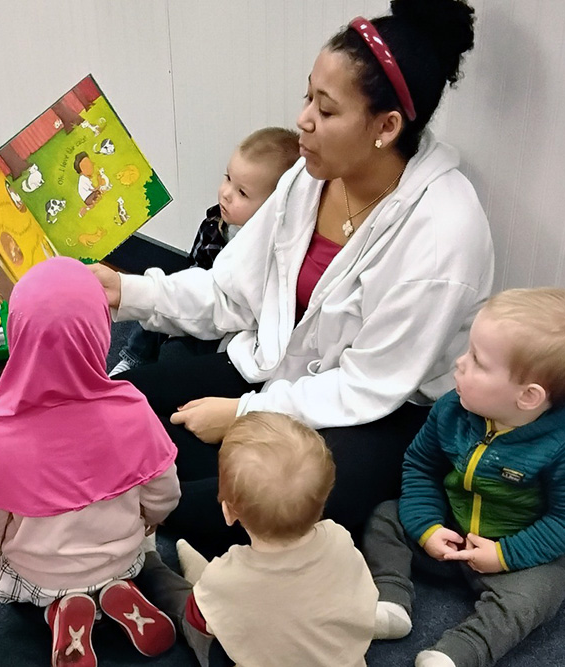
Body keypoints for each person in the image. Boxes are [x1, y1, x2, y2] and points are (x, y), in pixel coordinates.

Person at [90, 0, 492, 555]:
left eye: (326, 111)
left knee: (275, 499)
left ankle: (153, 508)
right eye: (308, 96)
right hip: (277, 368)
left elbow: (366, 388)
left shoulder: (445, 232)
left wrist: (244, 415)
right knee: (102, 410)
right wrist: (127, 291)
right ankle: (165, 497)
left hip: (381, 413)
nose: (303, 120)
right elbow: (229, 290)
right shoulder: (309, 177)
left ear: (386, 126)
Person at [363, 288, 565, 667]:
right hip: (450, 530)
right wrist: (426, 527)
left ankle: (459, 652)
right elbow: (421, 467)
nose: (460, 364)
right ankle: (391, 600)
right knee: (386, 516)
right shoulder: (452, 409)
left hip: (520, 551)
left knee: (535, 597)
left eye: (477, 360)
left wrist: (505, 554)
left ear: (527, 397)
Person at [0, 257, 180, 667]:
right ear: (100, 331)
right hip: (121, 555)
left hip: (41, 572)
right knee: (130, 550)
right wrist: (153, 515)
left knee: (26, 571)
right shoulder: (131, 408)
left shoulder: (2, 427)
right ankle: (117, 590)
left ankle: (60, 608)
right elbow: (165, 488)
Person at [136, 412, 378, 667]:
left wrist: (212, 593)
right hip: (344, 658)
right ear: (324, 501)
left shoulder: (227, 577)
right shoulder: (339, 537)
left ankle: (150, 563)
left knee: (187, 605)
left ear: (228, 512)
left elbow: (201, 623)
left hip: (228, 603)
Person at [110, 127, 300, 376]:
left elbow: (235, 309)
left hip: (225, 330)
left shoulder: (267, 254)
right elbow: (194, 272)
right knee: (151, 308)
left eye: (242, 193)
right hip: (199, 299)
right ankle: (133, 357)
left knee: (175, 351)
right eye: (228, 178)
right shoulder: (214, 223)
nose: (226, 193)